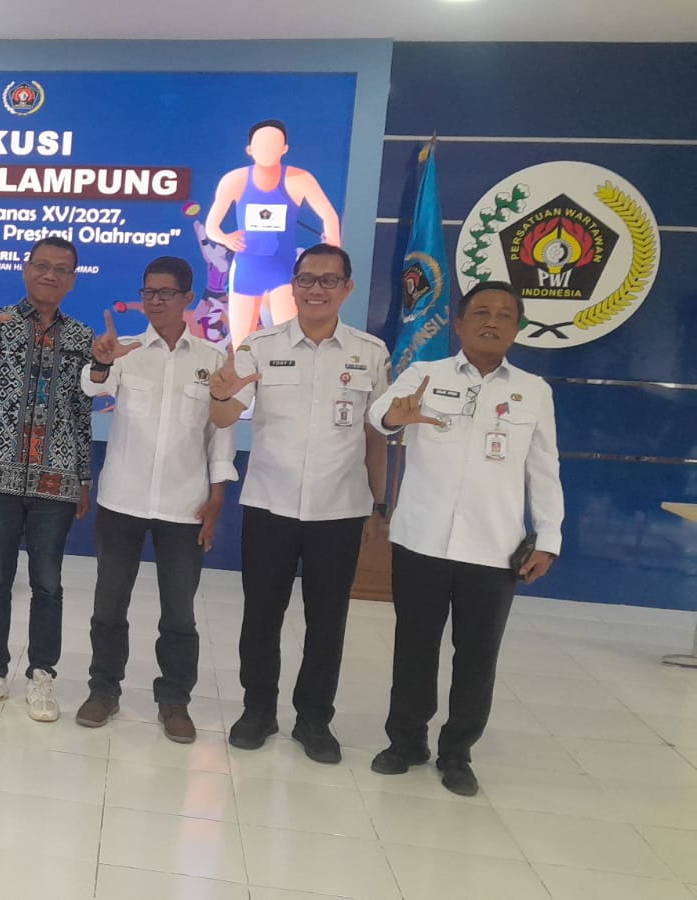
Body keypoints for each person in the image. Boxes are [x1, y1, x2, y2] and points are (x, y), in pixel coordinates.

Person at [367, 282, 563, 797]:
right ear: (459, 324)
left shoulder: (533, 391)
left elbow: (544, 469)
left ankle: (457, 752)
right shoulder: (424, 374)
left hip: (493, 547)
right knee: (414, 647)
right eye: (481, 312)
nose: (491, 321)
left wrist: (549, 537)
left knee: (477, 655)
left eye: (504, 315)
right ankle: (406, 741)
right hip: (421, 540)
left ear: (517, 329)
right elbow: (379, 415)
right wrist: (396, 416)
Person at [209, 244, 389, 764]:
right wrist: (220, 395)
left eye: (329, 280)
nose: (316, 289)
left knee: (327, 621)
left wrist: (379, 505)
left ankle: (314, 719)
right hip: (270, 504)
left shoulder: (370, 352)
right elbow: (224, 418)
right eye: (307, 279)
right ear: (292, 285)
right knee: (261, 617)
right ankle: (258, 711)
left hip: (341, 508)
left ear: (347, 288)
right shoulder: (259, 345)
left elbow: (376, 435)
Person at [75, 257, 237, 742]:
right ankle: (103, 690)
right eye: (149, 292)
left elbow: (220, 434)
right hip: (122, 500)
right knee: (109, 605)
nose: (156, 301)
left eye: (166, 293)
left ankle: (174, 700)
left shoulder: (212, 359)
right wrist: (101, 361)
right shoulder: (125, 351)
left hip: (185, 505)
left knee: (179, 614)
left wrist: (217, 496)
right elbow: (91, 386)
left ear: (187, 298)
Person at [0, 236, 95, 723]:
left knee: (48, 584)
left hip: (56, 483)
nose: (50, 274)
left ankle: (42, 675)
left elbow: (82, 414)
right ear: (26, 269)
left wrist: (83, 477)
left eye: (61, 268)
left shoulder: (81, 337)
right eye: (42, 265)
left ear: (72, 280)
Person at [205, 120, 342, 347]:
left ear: (284, 148)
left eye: (273, 144)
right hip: (246, 271)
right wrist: (226, 239)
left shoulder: (299, 180)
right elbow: (212, 227)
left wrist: (333, 258)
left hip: (282, 271)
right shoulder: (235, 180)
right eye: (261, 144)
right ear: (249, 150)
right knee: (242, 346)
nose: (267, 149)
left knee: (289, 343)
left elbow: (330, 216)